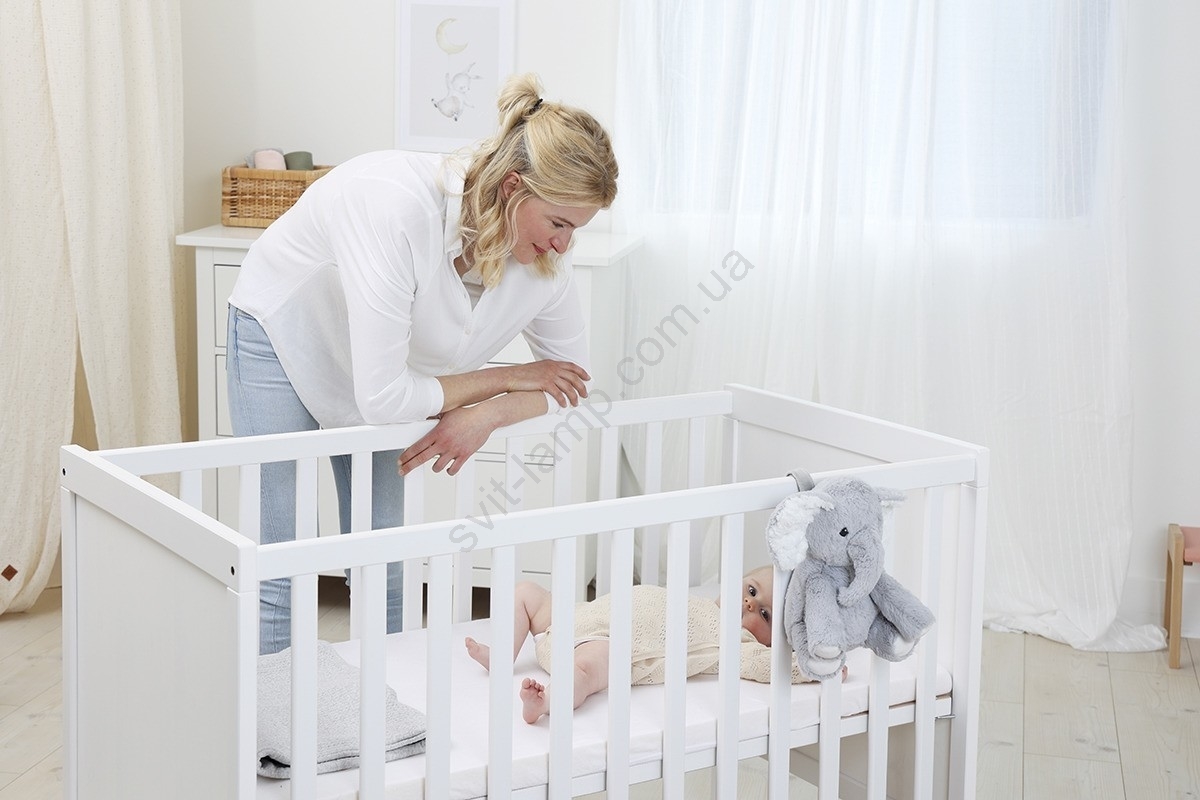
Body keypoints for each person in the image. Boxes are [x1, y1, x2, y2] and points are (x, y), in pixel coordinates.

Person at [225, 73, 619, 654]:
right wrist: (508, 378)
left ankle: (382, 702)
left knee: (386, 561)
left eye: (575, 230)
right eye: (558, 223)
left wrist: (484, 416)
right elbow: (385, 399)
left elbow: (571, 382)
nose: (564, 245)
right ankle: (272, 711)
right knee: (280, 561)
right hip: (285, 333)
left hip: (385, 372)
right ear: (513, 188)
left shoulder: (544, 265)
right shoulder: (395, 206)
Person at [464, 567, 827, 725]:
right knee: (527, 593)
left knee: (585, 671)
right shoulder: (698, 601)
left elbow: (763, 664)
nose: (750, 604)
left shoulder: (734, 643)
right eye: (751, 590)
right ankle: (502, 655)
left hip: (603, 644)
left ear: (770, 639)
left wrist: (812, 667)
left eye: (764, 613)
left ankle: (546, 702)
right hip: (576, 618)